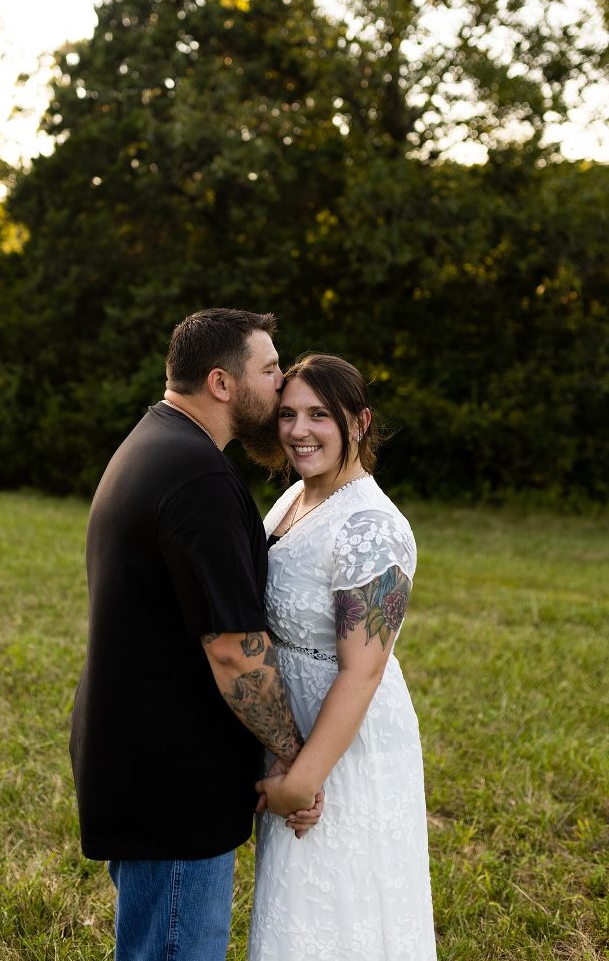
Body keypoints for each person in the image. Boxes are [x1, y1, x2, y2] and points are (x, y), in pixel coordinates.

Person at [69, 308, 321, 961]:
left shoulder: (152, 443)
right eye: (269, 370)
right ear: (221, 381)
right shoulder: (199, 477)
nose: (281, 384)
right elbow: (236, 649)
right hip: (173, 780)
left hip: (140, 757)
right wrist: (292, 754)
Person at [249, 354, 437, 961]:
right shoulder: (292, 502)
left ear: (359, 422)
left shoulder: (371, 526)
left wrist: (304, 777)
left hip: (347, 740)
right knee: (295, 908)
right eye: (288, 415)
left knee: (342, 910)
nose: (299, 430)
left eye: (319, 415)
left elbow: (365, 668)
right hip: (294, 726)